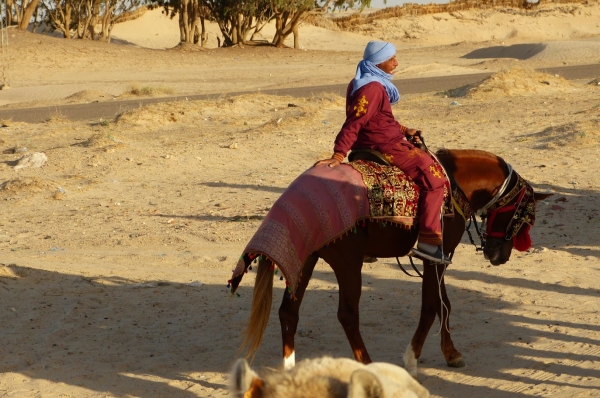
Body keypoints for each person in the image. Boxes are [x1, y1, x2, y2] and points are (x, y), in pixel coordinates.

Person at [314, 41, 450, 264]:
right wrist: (339, 153)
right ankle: (428, 242)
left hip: (373, 142)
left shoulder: (362, 81)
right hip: (385, 146)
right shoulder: (373, 88)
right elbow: (355, 122)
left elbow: (379, 119)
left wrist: (406, 130)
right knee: (434, 176)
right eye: (391, 59)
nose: (396, 62)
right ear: (378, 63)